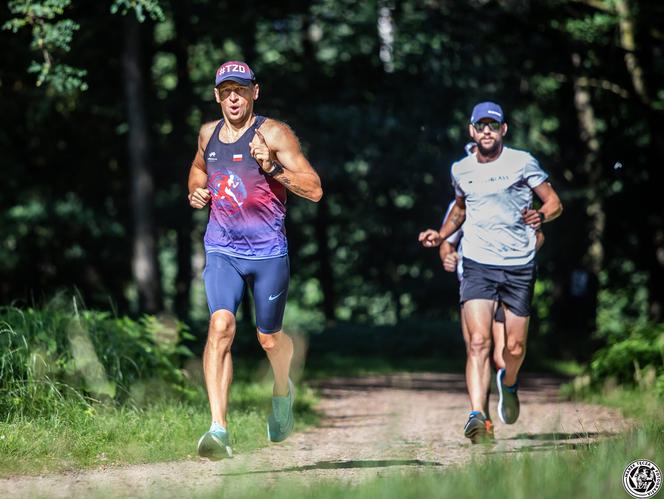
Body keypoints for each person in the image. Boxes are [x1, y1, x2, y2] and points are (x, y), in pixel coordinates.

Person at [188, 60, 323, 460]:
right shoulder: (208, 134)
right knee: (221, 325)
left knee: (269, 339)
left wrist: (271, 166)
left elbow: (315, 190)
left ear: (254, 93)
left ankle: (283, 386)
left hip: (268, 254)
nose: (233, 97)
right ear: (217, 95)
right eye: (226, 90)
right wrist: (197, 192)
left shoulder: (274, 133)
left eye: (241, 89)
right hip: (222, 248)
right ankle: (218, 429)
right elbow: (197, 172)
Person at [419, 102, 562, 443]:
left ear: (503, 130)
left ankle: (509, 383)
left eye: (492, 126)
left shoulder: (522, 162)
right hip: (478, 264)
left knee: (512, 349)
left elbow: (554, 202)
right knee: (478, 342)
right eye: (480, 126)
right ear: (471, 131)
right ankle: (477, 415)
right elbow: (460, 209)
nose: (486, 131)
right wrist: (441, 236)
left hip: (518, 264)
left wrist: (542, 215)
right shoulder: (462, 169)